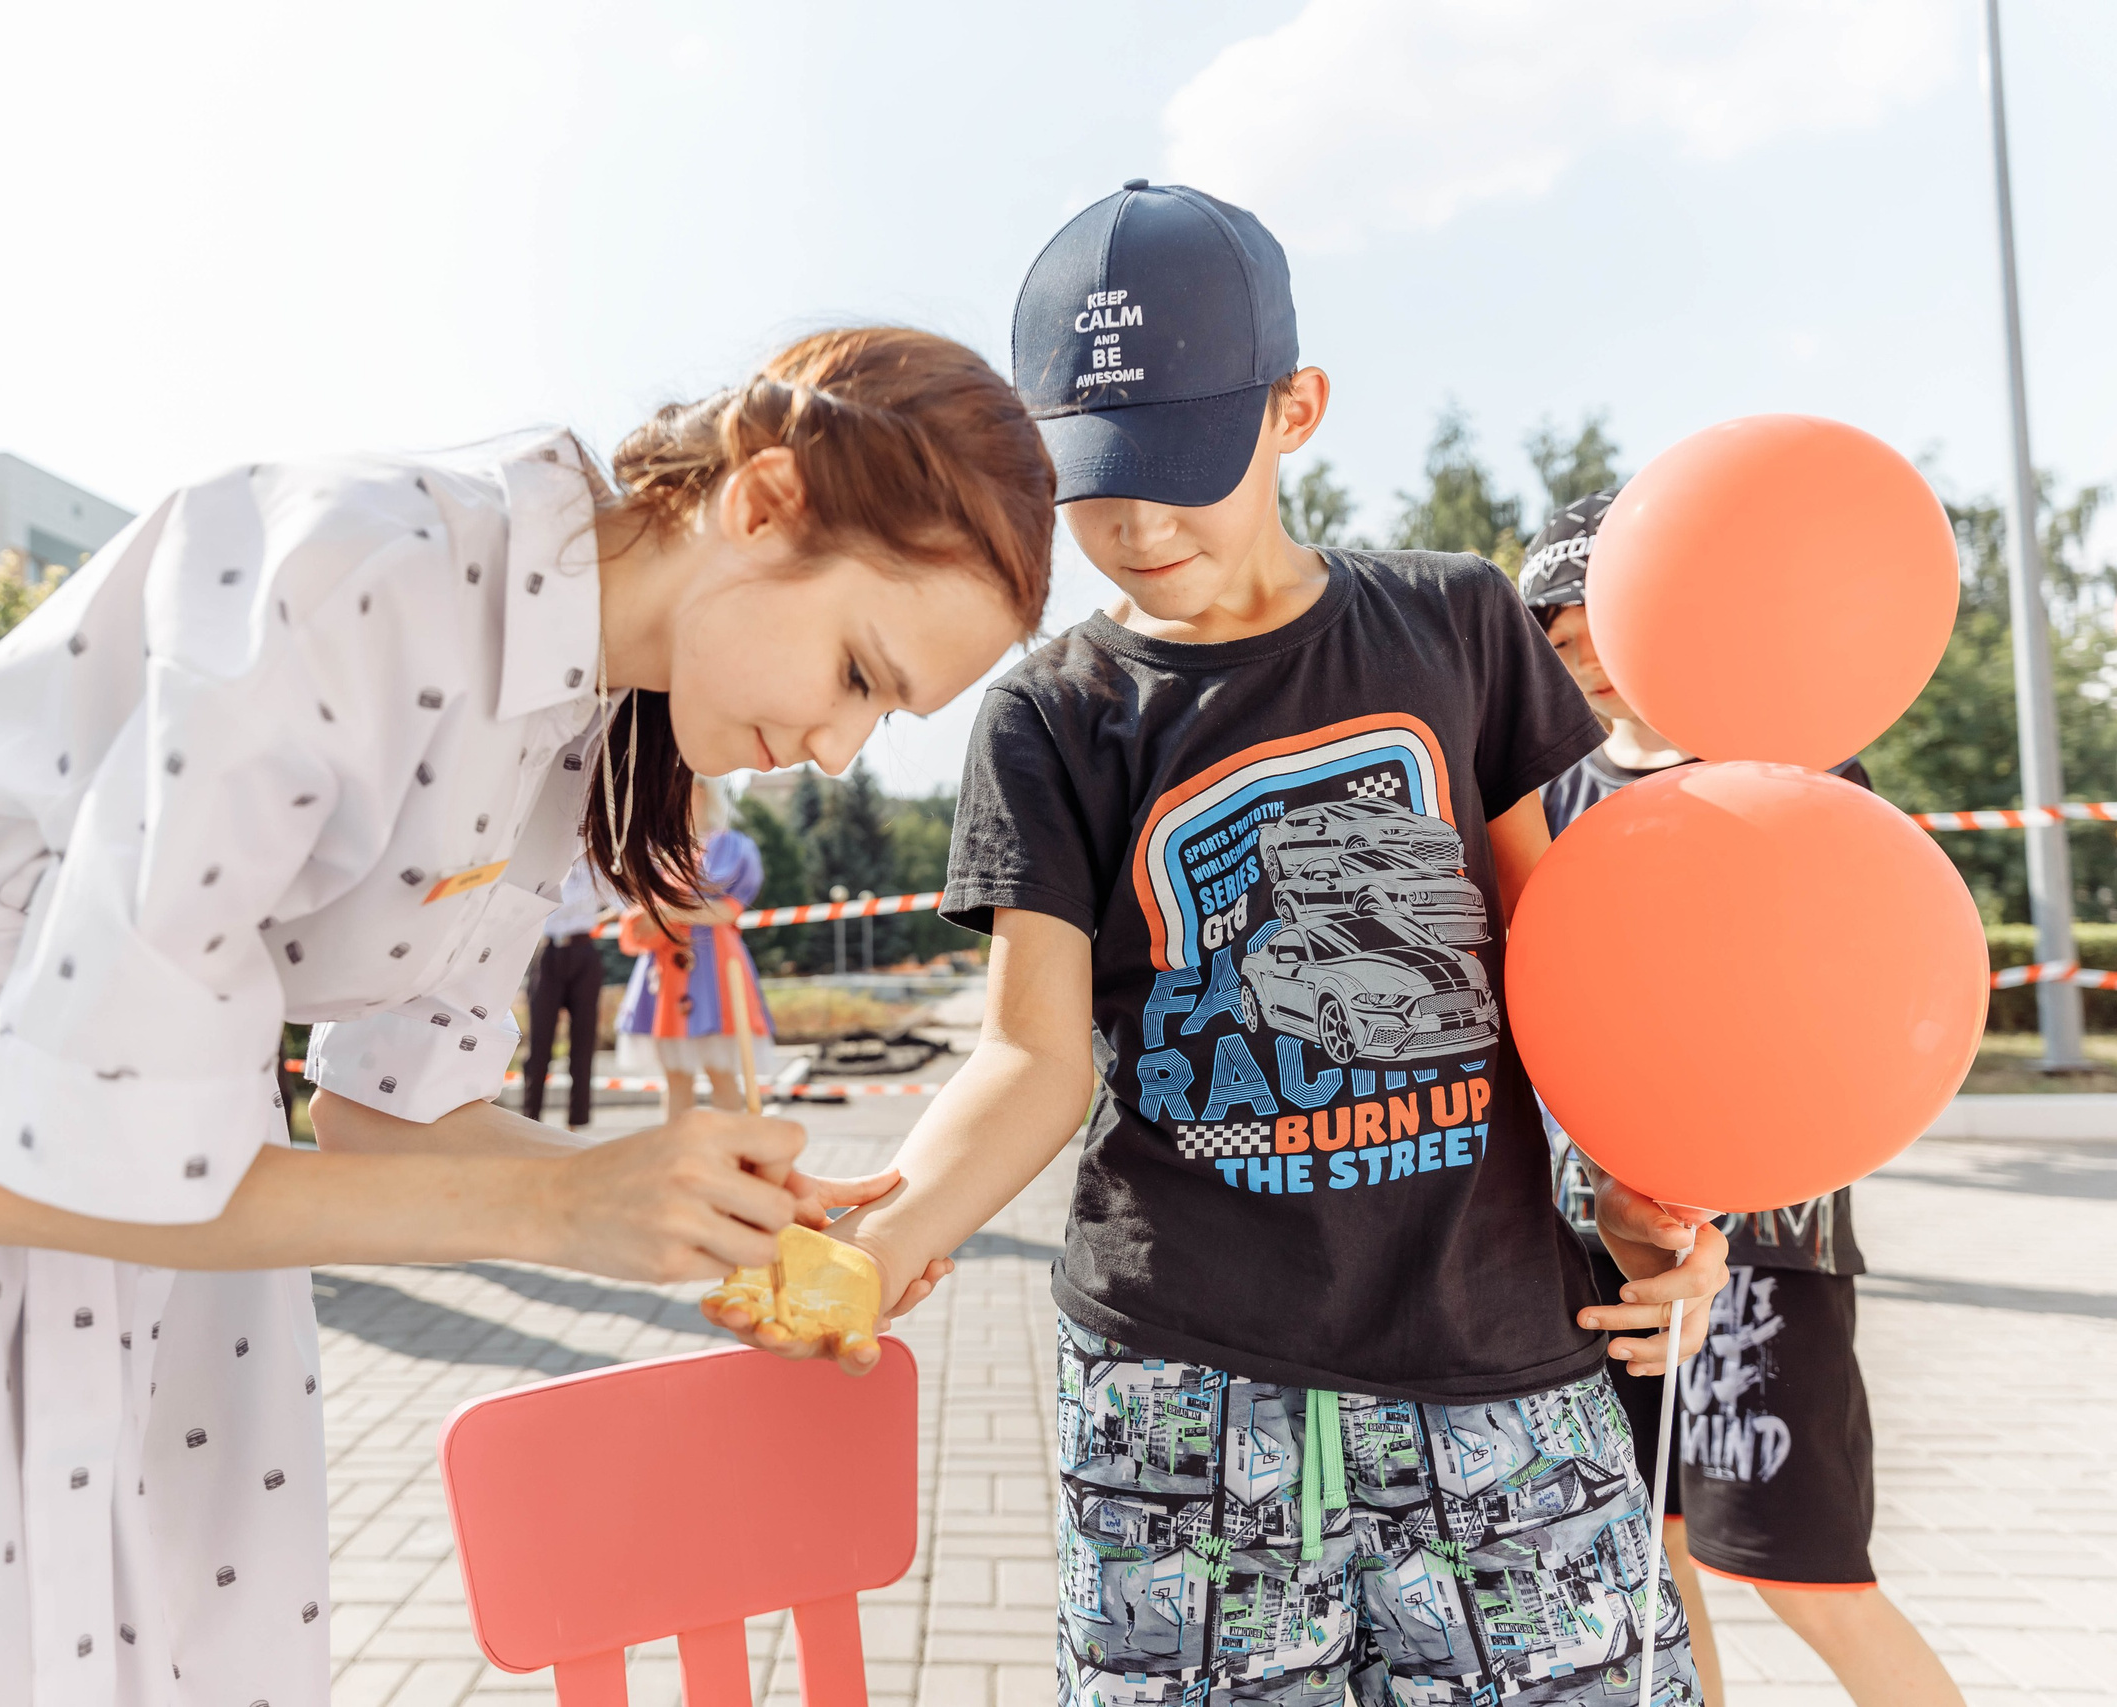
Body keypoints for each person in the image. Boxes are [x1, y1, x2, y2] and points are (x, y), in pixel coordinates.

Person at [0, 326, 1051, 1706]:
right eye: (860, 670)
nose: (836, 746)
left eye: (892, 717)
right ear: (765, 500)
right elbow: (30, 1164)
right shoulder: (363, 565)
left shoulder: (583, 705)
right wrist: (558, 1215)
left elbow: (386, 1109)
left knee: (175, 1611)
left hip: (173, 1154)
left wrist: (691, 1213)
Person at [709, 181, 1730, 1706]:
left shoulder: (1453, 625)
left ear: (1296, 408)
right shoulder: (1055, 713)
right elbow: (1032, 1051)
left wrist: (1661, 1206)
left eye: (1186, 462)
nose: (1140, 523)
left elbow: (1569, 964)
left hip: (1502, 1357)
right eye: (1098, 479)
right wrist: (888, 1232)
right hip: (1185, 1404)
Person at [1523, 490, 1966, 1707]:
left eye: (1605, 632)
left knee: (1803, 1571)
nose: (1592, 669)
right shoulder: (1550, 798)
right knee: (1653, 1552)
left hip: (1771, 1247)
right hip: (1608, 1242)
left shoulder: (1793, 764)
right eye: (1558, 647)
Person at [615, 779, 780, 1119]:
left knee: (721, 1073)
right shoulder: (661, 851)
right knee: (675, 1077)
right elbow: (642, 917)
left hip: (715, 971)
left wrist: (664, 911)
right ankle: (679, 1162)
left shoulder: (731, 847)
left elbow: (725, 910)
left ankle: (736, 1157)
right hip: (665, 972)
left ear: (703, 790)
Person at [522, 854, 615, 1130]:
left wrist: (594, 922)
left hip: (584, 953)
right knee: (539, 1044)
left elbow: (624, 901)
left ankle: (577, 1124)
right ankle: (530, 1122)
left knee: (584, 1042)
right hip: (549, 954)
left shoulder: (598, 866)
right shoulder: (549, 859)